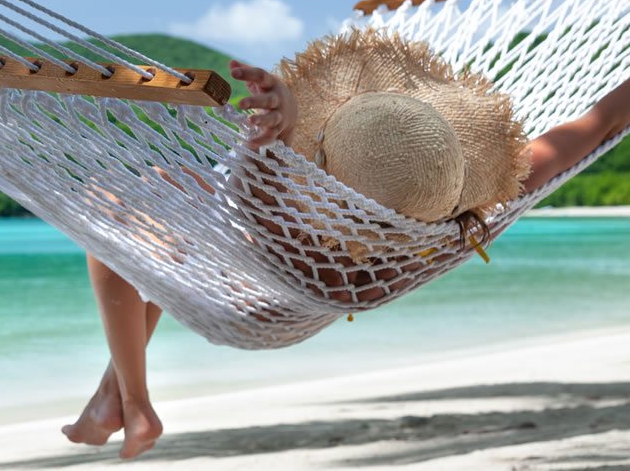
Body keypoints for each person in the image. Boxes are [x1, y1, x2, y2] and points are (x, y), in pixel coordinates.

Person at [61, 29, 630, 460]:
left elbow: (259, 199)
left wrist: (278, 130)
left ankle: (133, 402)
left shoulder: (309, 231)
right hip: (262, 261)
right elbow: (597, 122)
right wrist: (275, 137)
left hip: (253, 288)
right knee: (165, 192)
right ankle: (111, 399)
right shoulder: (452, 212)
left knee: (110, 210)